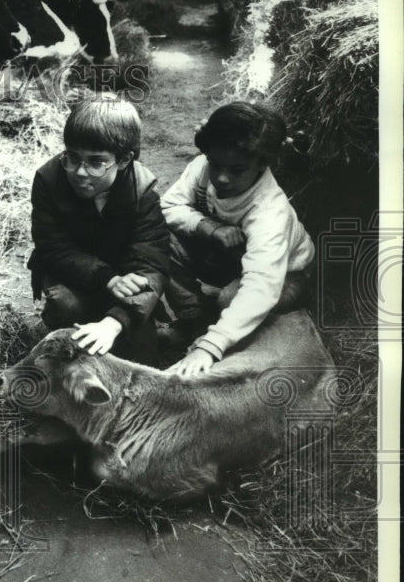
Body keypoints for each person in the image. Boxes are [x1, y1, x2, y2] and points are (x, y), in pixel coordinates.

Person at [159, 101, 315, 376]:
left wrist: (211, 346)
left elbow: (261, 285)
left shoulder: (270, 211)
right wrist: (209, 228)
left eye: (237, 169)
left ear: (263, 163)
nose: (222, 177)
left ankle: (220, 334)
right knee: (159, 238)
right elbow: (168, 206)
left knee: (232, 300)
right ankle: (194, 320)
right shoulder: (202, 168)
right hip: (228, 257)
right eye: (215, 163)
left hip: (284, 274)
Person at [28, 93, 170, 365]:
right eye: (72, 157)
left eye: (95, 162)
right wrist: (107, 278)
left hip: (126, 282)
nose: (80, 172)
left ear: (125, 160)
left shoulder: (143, 190)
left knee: (142, 363)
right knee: (65, 307)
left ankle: (118, 322)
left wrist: (114, 323)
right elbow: (52, 247)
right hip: (72, 276)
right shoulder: (48, 179)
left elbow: (152, 262)